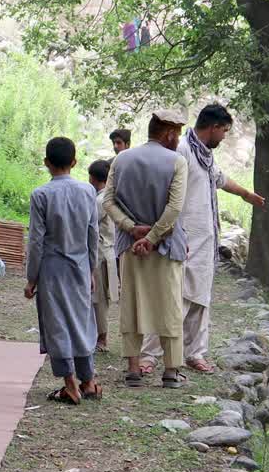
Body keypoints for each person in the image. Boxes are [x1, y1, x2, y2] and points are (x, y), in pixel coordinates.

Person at [139, 104, 264, 374]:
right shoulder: (182, 150)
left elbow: (219, 179)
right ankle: (149, 355)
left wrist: (245, 194)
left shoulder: (205, 155)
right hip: (183, 238)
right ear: (214, 127)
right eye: (224, 131)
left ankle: (194, 352)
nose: (224, 137)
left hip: (206, 239)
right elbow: (165, 189)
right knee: (174, 297)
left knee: (200, 299)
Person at [102, 110, 189, 388]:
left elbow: (108, 201)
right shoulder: (177, 162)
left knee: (132, 304)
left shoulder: (122, 159)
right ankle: (171, 371)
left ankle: (132, 369)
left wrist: (131, 227)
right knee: (170, 306)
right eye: (177, 134)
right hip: (165, 247)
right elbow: (174, 208)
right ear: (170, 134)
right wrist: (152, 237)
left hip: (130, 246)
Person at [25, 136, 101, 405]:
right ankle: (89, 380)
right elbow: (93, 235)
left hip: (52, 269)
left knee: (57, 324)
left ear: (46, 163)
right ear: (74, 162)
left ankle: (70, 385)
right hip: (80, 266)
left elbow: (36, 240)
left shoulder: (41, 195)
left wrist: (31, 278)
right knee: (81, 321)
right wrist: (91, 270)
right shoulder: (88, 192)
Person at [89, 130, 131, 351]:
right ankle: (100, 336)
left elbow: (90, 225)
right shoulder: (110, 196)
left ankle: (102, 338)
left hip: (101, 253)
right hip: (109, 252)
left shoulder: (100, 199)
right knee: (102, 297)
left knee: (100, 300)